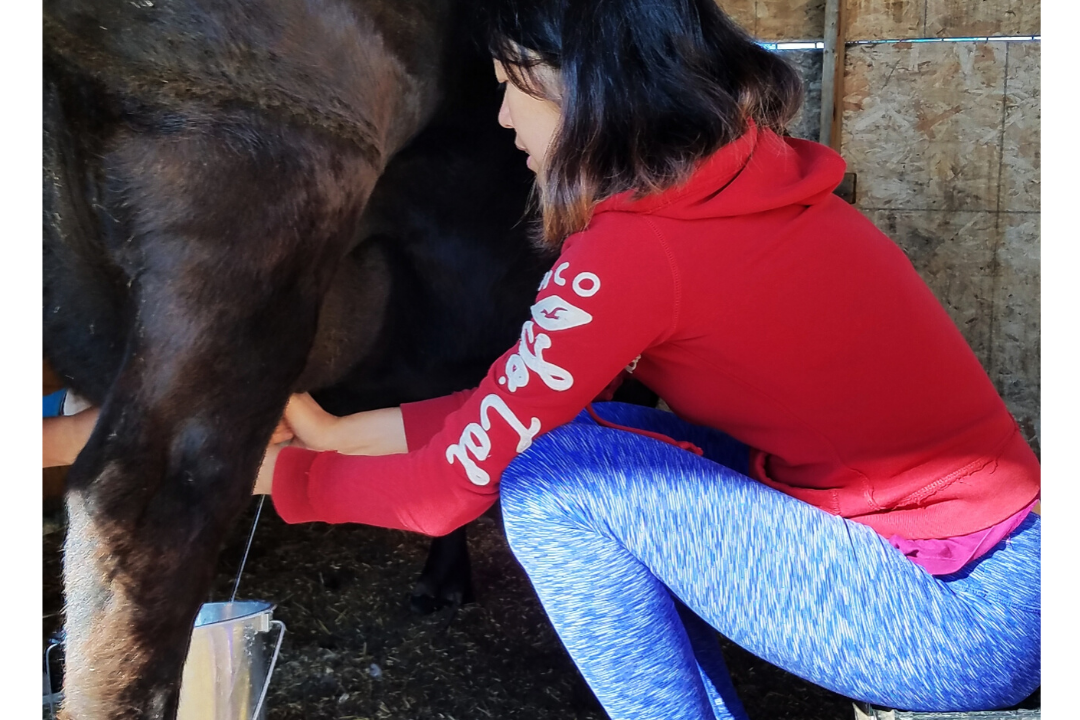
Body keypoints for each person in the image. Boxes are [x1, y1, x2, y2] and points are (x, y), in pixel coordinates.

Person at [255, 0, 1041, 717]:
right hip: (1016, 568)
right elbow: (506, 411)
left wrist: (275, 479)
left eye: (513, 85)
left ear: (590, 87)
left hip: (956, 616)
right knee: (599, 433)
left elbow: (447, 495)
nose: (500, 117)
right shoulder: (742, 176)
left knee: (551, 488)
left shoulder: (634, 254)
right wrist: (330, 433)